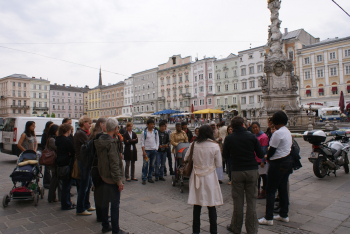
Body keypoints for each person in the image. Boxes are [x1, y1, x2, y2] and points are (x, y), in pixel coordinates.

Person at [223, 116, 264, 234]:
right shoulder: (252, 136)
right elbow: (260, 153)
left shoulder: (229, 138)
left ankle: (236, 227)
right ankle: (252, 229)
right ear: (243, 125)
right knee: (251, 200)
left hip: (237, 171)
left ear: (233, 126)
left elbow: (225, 155)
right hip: (251, 170)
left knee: (238, 201)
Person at [185, 125, 223, 234]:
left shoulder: (194, 144)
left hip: (197, 176)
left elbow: (186, 158)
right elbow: (219, 164)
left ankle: (196, 231)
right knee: (211, 205)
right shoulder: (215, 146)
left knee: (197, 205)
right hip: (210, 177)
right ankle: (213, 231)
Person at [94, 118, 129, 234]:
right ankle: (115, 230)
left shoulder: (100, 139)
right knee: (114, 205)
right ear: (115, 128)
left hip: (103, 176)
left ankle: (105, 225)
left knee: (104, 203)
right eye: (117, 127)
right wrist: (119, 181)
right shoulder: (111, 142)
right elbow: (114, 164)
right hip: (112, 179)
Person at [258, 111, 293, 226]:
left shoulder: (277, 133)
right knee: (282, 189)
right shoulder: (287, 131)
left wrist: (267, 155)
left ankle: (268, 217)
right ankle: (284, 214)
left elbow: (271, 150)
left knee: (270, 190)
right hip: (287, 161)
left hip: (277, 163)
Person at [74, 116, 94, 216]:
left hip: (85, 161)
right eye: (89, 123)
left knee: (88, 184)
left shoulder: (82, 133)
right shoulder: (80, 133)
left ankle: (86, 204)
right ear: (84, 123)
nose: (90, 125)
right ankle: (80, 208)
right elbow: (89, 145)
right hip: (83, 161)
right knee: (84, 185)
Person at [89, 117, 107, 222]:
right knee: (101, 192)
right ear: (101, 124)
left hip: (94, 166)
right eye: (105, 124)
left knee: (98, 192)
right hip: (99, 166)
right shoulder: (99, 136)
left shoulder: (92, 134)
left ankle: (100, 214)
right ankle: (101, 215)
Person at [56, 123, 76, 210]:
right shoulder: (66, 140)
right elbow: (73, 151)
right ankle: (66, 204)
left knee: (64, 185)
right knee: (66, 186)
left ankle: (67, 203)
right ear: (68, 131)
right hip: (67, 163)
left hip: (60, 163)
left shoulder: (58, 139)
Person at [251, 122, 269, 199]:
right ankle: (257, 191)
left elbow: (264, 149)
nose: (255, 129)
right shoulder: (254, 136)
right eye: (253, 128)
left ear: (259, 127)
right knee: (256, 177)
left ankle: (264, 191)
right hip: (255, 159)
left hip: (261, 160)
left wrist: (262, 160)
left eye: (256, 127)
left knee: (263, 176)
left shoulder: (263, 137)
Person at [140, 119, 159, 185]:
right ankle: (144, 178)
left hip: (153, 151)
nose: (152, 125)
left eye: (153, 124)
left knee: (152, 164)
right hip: (147, 151)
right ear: (147, 125)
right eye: (151, 124)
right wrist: (143, 151)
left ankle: (150, 177)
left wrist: (156, 149)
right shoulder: (144, 132)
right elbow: (142, 142)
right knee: (145, 164)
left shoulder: (155, 132)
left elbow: (157, 141)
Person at [47, 124, 61, 203]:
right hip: (53, 161)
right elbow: (57, 148)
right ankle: (51, 197)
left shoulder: (52, 138)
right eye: (57, 130)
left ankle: (53, 197)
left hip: (54, 161)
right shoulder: (52, 139)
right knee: (54, 180)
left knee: (55, 179)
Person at [42, 121, 54, 189]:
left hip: (52, 153)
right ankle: (46, 182)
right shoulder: (45, 134)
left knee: (50, 169)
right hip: (47, 153)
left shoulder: (51, 134)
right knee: (47, 169)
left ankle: (50, 181)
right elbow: (43, 143)